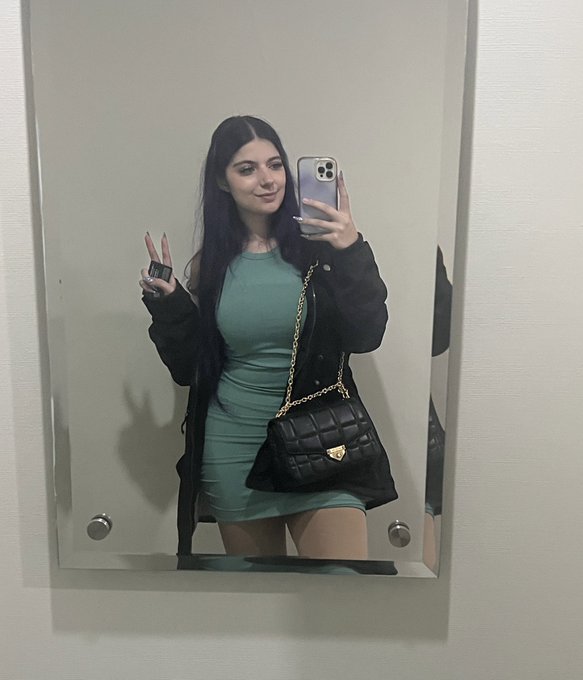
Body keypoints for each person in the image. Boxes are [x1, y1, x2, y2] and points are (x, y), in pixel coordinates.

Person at [140, 115, 397, 560]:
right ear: (221, 181)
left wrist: (352, 249)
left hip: (323, 441)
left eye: (275, 165)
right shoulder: (210, 266)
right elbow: (191, 369)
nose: (267, 180)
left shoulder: (324, 249)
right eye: (247, 169)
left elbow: (367, 334)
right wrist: (171, 307)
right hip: (234, 446)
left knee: (343, 588)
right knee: (255, 594)